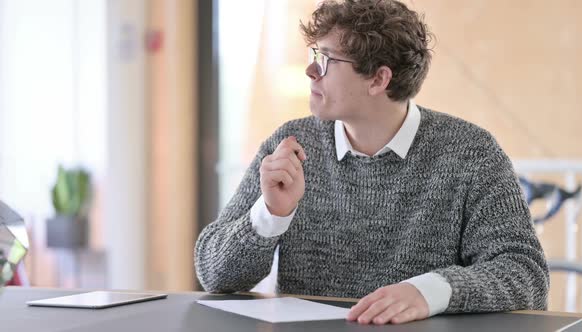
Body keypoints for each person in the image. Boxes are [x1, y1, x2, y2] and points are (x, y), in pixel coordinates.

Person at [195, 0, 549, 325]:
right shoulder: (290, 144)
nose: (309, 70)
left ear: (379, 79)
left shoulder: (471, 152)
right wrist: (271, 214)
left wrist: (429, 291)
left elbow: (524, 273)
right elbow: (214, 274)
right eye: (314, 54)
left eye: (326, 60)